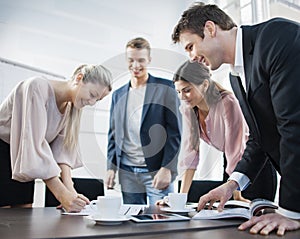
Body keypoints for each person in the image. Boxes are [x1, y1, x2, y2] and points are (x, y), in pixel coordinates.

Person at [171, 2, 300, 236]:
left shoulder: (275, 36)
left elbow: (295, 126)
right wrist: (232, 185)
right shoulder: (236, 76)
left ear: (210, 29)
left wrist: (290, 209)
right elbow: (260, 139)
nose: (191, 58)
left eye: (191, 46)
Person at [0, 64, 112, 212]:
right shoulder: (37, 87)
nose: (91, 103)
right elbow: (33, 144)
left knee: (23, 217)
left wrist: (70, 191)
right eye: (92, 94)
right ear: (79, 78)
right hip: (5, 152)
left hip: (24, 159)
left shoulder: (71, 107)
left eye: (97, 100)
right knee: (5, 220)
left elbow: (62, 152)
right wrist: (62, 195)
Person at [172, 60, 276, 202]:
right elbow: (190, 152)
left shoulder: (227, 103)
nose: (182, 97)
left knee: (253, 216)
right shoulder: (188, 109)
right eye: (178, 91)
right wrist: (180, 198)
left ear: (205, 85)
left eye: (187, 90)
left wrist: (236, 193)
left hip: (253, 166)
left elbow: (235, 148)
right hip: (230, 165)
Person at [105, 37, 181, 205]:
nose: (136, 65)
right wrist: (111, 168)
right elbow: (113, 134)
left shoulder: (166, 88)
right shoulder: (118, 94)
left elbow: (175, 133)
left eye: (141, 60)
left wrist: (168, 167)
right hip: (127, 172)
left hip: (156, 170)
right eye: (131, 60)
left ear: (149, 60)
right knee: (132, 223)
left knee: (163, 222)